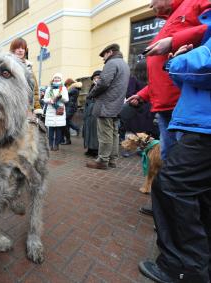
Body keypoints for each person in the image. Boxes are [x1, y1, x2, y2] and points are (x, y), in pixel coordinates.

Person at [139, 10, 211, 282]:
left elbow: (204, 63)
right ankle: (200, 265)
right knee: (200, 194)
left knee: (171, 185)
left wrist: (177, 61)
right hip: (196, 118)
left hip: (203, 123)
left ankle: (182, 266)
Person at [126, 0, 211, 216]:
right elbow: (159, 75)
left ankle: (182, 218)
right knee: (169, 163)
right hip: (165, 108)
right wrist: (143, 94)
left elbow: (207, 30)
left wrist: (174, 40)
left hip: (183, 106)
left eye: (153, 0)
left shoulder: (195, 3)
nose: (150, 4)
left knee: (183, 171)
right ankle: (167, 211)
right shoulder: (169, 19)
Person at [86, 44, 130, 169]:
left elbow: (103, 83)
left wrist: (91, 94)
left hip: (106, 105)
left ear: (110, 52)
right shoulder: (124, 65)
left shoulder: (112, 63)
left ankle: (102, 161)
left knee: (105, 134)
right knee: (114, 134)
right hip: (117, 105)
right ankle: (112, 160)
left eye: (104, 55)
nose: (103, 58)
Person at [9, 38, 41, 115]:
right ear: (13, 50)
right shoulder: (7, 66)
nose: (20, 50)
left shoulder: (28, 67)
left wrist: (37, 106)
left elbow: (35, 89)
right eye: (18, 48)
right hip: (11, 107)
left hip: (27, 107)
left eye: (23, 48)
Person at [43, 73, 69, 151]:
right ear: (53, 79)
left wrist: (60, 98)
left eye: (58, 78)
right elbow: (45, 99)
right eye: (55, 78)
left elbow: (66, 99)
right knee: (51, 129)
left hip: (59, 110)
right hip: (51, 110)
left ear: (60, 79)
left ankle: (56, 145)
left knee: (58, 129)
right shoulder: (49, 88)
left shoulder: (63, 88)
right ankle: (50, 144)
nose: (56, 79)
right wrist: (50, 100)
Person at [83, 70, 101, 157]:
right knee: (88, 131)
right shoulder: (91, 87)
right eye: (95, 78)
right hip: (89, 112)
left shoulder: (101, 87)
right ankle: (89, 149)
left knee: (95, 132)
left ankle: (95, 150)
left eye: (98, 77)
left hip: (96, 111)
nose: (96, 79)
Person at [61, 78, 82, 145]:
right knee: (67, 121)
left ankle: (68, 139)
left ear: (69, 84)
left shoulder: (73, 89)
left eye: (66, 85)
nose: (66, 86)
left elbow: (65, 94)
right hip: (70, 107)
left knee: (65, 122)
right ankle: (76, 130)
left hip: (70, 107)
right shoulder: (74, 89)